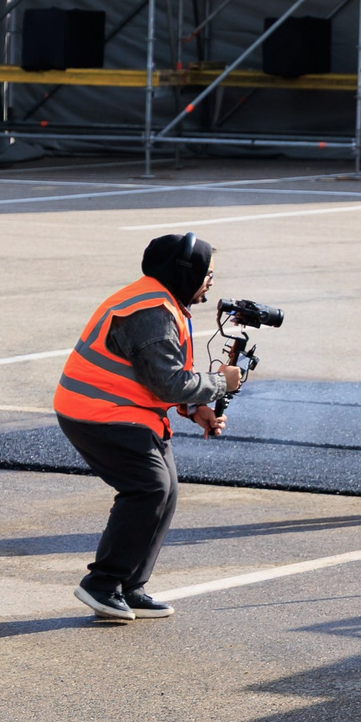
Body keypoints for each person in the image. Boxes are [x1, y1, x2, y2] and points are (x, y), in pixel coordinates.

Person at [53, 232, 242, 622]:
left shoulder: (163, 301)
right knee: (148, 487)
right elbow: (166, 382)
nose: (210, 281)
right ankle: (102, 584)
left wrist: (193, 408)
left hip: (124, 409)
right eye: (207, 273)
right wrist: (221, 382)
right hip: (97, 412)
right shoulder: (152, 311)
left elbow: (159, 377)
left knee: (165, 489)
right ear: (183, 273)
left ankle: (130, 586)